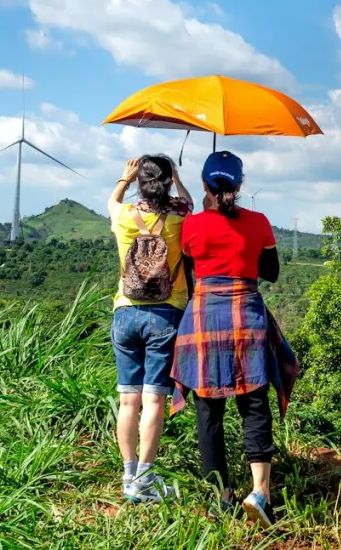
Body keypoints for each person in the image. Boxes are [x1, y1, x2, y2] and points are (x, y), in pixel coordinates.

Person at [172, 149, 297, 528]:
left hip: (204, 318)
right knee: (254, 404)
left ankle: (220, 496)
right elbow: (271, 272)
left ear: (205, 185)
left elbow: (193, 270)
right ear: (240, 186)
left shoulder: (190, 226)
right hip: (248, 317)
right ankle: (260, 492)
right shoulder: (258, 222)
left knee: (208, 411)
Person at [107, 154, 193, 503]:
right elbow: (189, 203)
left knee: (128, 399)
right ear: (168, 182)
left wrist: (124, 179)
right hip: (165, 314)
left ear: (140, 183)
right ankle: (144, 478)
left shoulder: (124, 216)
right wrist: (178, 178)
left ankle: (129, 476)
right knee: (154, 399)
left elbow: (111, 201)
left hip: (125, 313)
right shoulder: (179, 219)